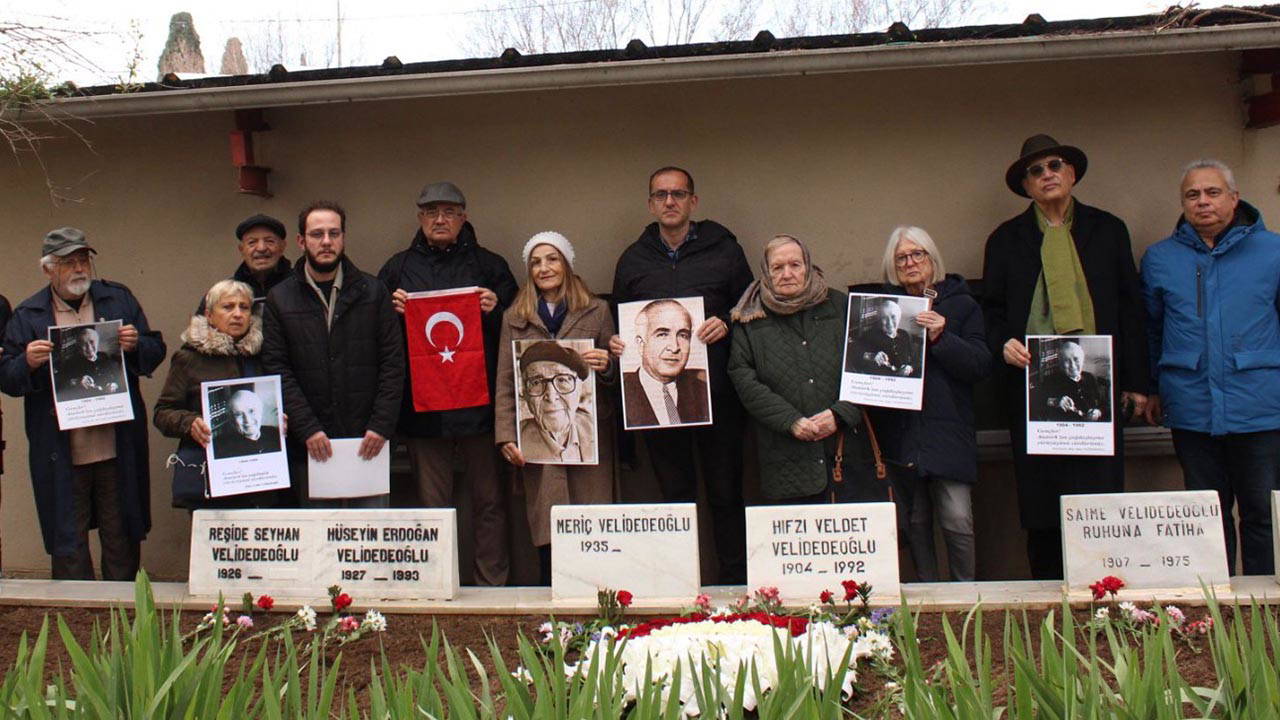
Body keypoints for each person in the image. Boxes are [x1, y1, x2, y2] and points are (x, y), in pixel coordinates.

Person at [982, 134, 1149, 580]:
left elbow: (1131, 308)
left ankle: (1105, 587)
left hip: (1098, 384)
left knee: (1098, 495)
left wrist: (1137, 383)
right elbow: (991, 311)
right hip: (1034, 389)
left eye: (1054, 165)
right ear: (1026, 185)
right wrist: (1003, 343)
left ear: (1071, 174)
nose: (1047, 175)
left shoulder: (1107, 230)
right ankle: (1047, 595)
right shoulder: (1005, 240)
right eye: (1035, 171)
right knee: (1042, 500)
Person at [611, 166, 753, 584]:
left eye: (678, 194)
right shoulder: (633, 259)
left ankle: (735, 586)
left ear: (693, 201)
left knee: (727, 493)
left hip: (719, 394)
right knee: (675, 496)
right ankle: (683, 586)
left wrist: (726, 320)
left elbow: (750, 306)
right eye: (661, 195)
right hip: (656, 407)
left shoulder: (725, 250)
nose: (669, 201)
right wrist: (617, 343)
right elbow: (621, 323)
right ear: (650, 203)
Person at [0, 228, 166, 580]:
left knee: (121, 532)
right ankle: (74, 620)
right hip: (61, 448)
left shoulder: (117, 300)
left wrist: (136, 345)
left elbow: (155, 351)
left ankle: (125, 617)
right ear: (48, 270)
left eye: (83, 260)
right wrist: (26, 362)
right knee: (68, 538)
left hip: (116, 442)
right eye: (68, 262)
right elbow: (7, 378)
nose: (79, 269)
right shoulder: (29, 315)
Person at [1141, 159, 1280, 576]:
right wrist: (1152, 388)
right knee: (1204, 517)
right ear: (1183, 203)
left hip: (1259, 405)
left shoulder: (1273, 251)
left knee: (1262, 514)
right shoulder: (1160, 258)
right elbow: (1151, 329)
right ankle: (1215, 613)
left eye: (1213, 192)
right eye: (1192, 194)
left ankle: (1265, 611)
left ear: (1234, 198)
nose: (1203, 202)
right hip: (1191, 406)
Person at [379, 181, 517, 587]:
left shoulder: (491, 265)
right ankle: (437, 581)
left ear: (464, 216)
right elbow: (375, 335)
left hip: (481, 405)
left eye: (450, 212)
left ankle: (492, 583)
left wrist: (498, 310)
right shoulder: (397, 269)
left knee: (489, 500)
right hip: (423, 411)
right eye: (431, 212)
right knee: (432, 503)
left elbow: (518, 325)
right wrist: (392, 312)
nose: (440, 219)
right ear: (420, 218)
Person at [263, 201, 404, 508]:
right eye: (317, 234)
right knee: (320, 546)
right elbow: (277, 369)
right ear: (301, 241)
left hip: (368, 444)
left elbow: (393, 364)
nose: (326, 241)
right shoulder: (280, 299)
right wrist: (308, 429)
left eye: (333, 233)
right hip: (312, 447)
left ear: (343, 237)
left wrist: (380, 426)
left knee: (370, 541)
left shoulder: (374, 291)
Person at [495, 232, 615, 584]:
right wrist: (506, 436)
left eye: (552, 259)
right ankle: (554, 607)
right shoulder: (514, 317)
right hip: (539, 443)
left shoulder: (597, 310)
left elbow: (616, 373)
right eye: (536, 262)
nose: (544, 268)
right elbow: (505, 379)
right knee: (548, 522)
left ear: (566, 263)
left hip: (588, 440)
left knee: (591, 525)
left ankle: (597, 600)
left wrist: (605, 365)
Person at [873, 226, 990, 582]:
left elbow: (981, 365)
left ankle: (965, 593)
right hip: (902, 431)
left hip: (948, 430)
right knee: (915, 521)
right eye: (901, 258)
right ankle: (927, 595)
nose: (910, 262)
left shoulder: (962, 304)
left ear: (932, 258)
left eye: (917, 254)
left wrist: (942, 336)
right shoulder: (882, 309)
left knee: (957, 518)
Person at [728, 235, 878, 504]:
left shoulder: (840, 305)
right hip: (785, 456)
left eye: (795, 265)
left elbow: (868, 369)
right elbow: (742, 376)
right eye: (777, 267)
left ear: (807, 266)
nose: (787, 274)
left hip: (845, 449)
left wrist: (840, 414)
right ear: (766, 272)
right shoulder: (749, 317)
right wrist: (790, 421)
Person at [154, 279, 286, 508]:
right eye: (228, 307)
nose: (237, 314)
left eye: (244, 307)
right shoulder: (189, 358)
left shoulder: (262, 354)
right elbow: (162, 412)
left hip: (260, 479)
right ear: (209, 314)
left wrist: (282, 418)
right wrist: (189, 422)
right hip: (211, 483)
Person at [621, 299, 710, 426]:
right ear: (641, 345)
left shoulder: (702, 392)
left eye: (683, 335)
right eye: (662, 334)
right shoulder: (621, 393)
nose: (674, 347)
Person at [195, 214, 292, 314]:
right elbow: (199, 328)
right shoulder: (221, 294)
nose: (261, 248)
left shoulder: (303, 286)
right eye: (252, 242)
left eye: (269, 241)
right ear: (241, 250)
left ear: (282, 247)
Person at [1033, 339, 1109, 422]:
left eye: (1076, 359)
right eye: (1066, 360)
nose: (1072, 365)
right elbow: (1035, 402)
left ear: (1082, 360)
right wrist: (1055, 402)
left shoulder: (1090, 377)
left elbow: (1104, 404)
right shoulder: (1051, 380)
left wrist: (1098, 412)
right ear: (1061, 363)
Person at [849, 298, 922, 377]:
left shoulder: (905, 334)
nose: (889, 323)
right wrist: (871, 356)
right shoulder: (870, 335)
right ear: (879, 320)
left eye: (893, 317)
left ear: (899, 317)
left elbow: (914, 359)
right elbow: (852, 351)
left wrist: (910, 367)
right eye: (884, 318)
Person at [55, 326, 123, 399]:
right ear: (79, 346)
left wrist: (114, 385)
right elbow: (61, 385)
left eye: (91, 342)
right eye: (84, 344)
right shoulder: (71, 363)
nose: (89, 348)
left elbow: (118, 377)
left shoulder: (104, 357)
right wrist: (77, 381)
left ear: (97, 342)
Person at [214, 389, 282, 458]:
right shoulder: (221, 447)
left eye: (251, 411)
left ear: (260, 411)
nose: (247, 420)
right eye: (239, 414)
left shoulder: (275, 434)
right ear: (232, 420)